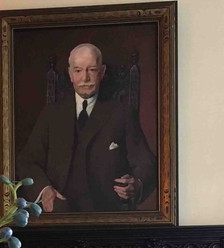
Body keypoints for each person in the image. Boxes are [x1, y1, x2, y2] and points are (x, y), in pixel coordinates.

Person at [16, 43, 157, 213]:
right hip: (60, 211)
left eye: (92, 70)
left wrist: (137, 184)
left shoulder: (121, 113)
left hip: (107, 211)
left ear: (102, 72)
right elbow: (27, 161)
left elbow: (146, 162)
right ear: (70, 74)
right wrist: (44, 190)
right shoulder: (51, 114)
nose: (85, 79)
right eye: (78, 71)